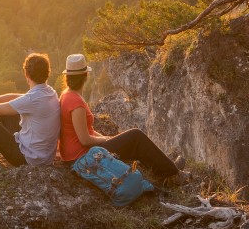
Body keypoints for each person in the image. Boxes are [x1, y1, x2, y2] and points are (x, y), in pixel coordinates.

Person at [56, 52, 181, 183]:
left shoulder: (66, 95)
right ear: (85, 76)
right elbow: (85, 140)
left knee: (128, 140)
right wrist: (105, 138)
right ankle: (171, 173)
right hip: (82, 157)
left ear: (67, 77)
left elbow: (85, 132)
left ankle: (165, 168)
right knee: (136, 136)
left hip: (75, 155)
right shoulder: (76, 102)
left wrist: (110, 139)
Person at [0, 52, 61, 167]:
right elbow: (12, 97)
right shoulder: (49, 92)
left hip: (27, 159)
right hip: (45, 157)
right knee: (7, 113)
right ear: (48, 73)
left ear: (26, 74)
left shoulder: (31, 99)